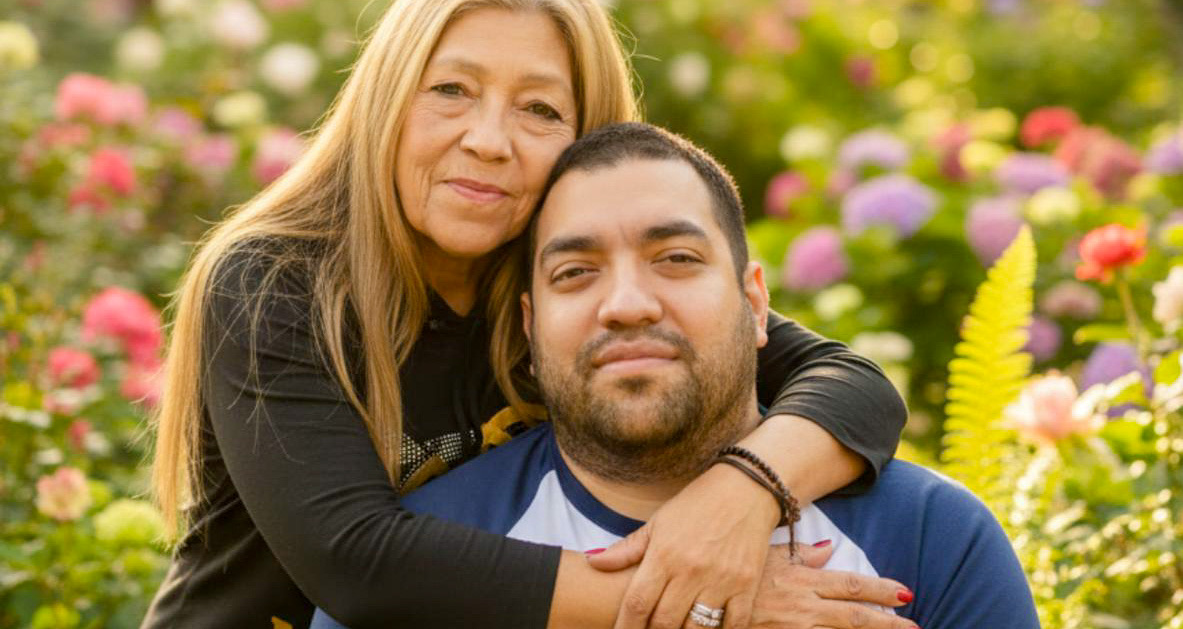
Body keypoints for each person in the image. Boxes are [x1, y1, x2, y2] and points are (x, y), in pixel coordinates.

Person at [143, 0, 908, 627]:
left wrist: (741, 494)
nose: (488, 140)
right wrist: (706, 600)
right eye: (451, 90)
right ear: (386, 100)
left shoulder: (572, 293)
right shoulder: (272, 280)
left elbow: (852, 386)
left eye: (539, 109)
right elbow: (356, 563)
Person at [311, 123, 1040, 629]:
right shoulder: (422, 578)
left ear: (755, 303)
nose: (627, 304)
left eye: (676, 259)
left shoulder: (929, 538)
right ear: (529, 326)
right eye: (576, 272)